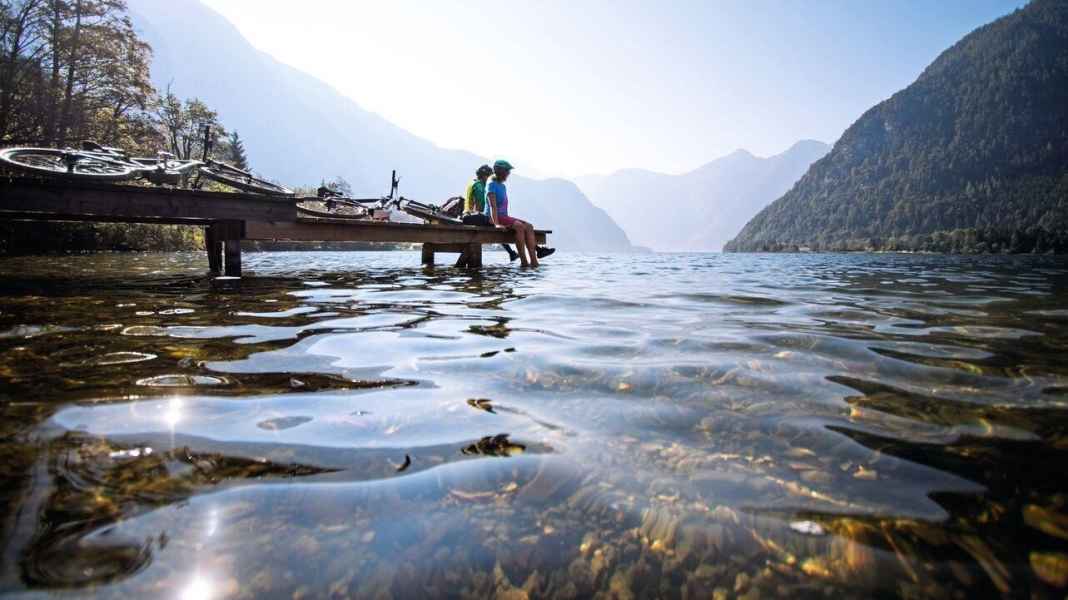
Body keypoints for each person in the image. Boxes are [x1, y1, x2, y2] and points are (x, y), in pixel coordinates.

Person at [486, 159, 554, 267]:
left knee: (529, 226)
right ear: (498, 170)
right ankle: (524, 262)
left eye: (509, 171)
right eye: (506, 170)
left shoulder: (502, 186)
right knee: (519, 226)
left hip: (503, 216)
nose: (508, 173)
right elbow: (492, 206)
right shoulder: (491, 184)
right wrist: (496, 224)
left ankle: (534, 262)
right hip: (494, 217)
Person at [463, 164, 519, 261]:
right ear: (484, 176)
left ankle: (512, 252)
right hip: (474, 215)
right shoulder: (478, 185)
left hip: (471, 214)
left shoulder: (473, 183)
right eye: (489, 176)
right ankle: (513, 252)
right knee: (497, 225)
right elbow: (480, 203)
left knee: (498, 224)